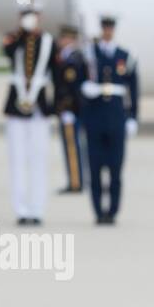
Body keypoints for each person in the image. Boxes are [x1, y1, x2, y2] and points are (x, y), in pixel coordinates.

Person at [80, 15, 140, 225]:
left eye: (110, 28)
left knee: (115, 168)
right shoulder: (90, 55)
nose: (107, 31)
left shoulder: (124, 56)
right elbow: (79, 82)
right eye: (104, 28)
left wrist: (133, 117)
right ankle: (98, 211)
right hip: (95, 118)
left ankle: (113, 211)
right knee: (95, 169)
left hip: (116, 118)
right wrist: (84, 88)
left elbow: (133, 89)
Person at [3, 6, 55, 226]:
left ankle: (37, 208)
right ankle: (21, 209)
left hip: (39, 105)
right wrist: (22, 34)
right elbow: (9, 52)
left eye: (33, 18)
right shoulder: (15, 40)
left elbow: (56, 72)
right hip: (16, 105)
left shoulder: (48, 42)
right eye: (26, 18)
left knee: (38, 160)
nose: (30, 21)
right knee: (17, 159)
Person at [52, 25, 87, 195]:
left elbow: (70, 89)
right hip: (68, 111)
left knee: (72, 147)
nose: (60, 41)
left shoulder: (73, 59)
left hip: (70, 111)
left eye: (63, 38)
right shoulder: (67, 57)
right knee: (70, 147)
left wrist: (68, 110)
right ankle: (75, 180)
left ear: (70, 39)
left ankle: (75, 182)